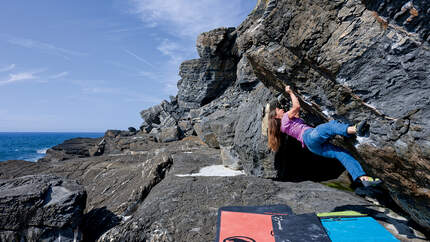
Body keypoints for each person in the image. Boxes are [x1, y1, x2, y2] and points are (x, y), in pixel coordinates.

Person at [267, 85, 381, 187]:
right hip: (309, 136)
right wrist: (290, 92)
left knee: (341, 154)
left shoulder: (283, 126)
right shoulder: (285, 118)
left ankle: (363, 178)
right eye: (279, 110)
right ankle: (355, 129)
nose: (281, 109)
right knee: (329, 126)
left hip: (312, 147)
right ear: (277, 116)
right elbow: (296, 107)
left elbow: (296, 113)